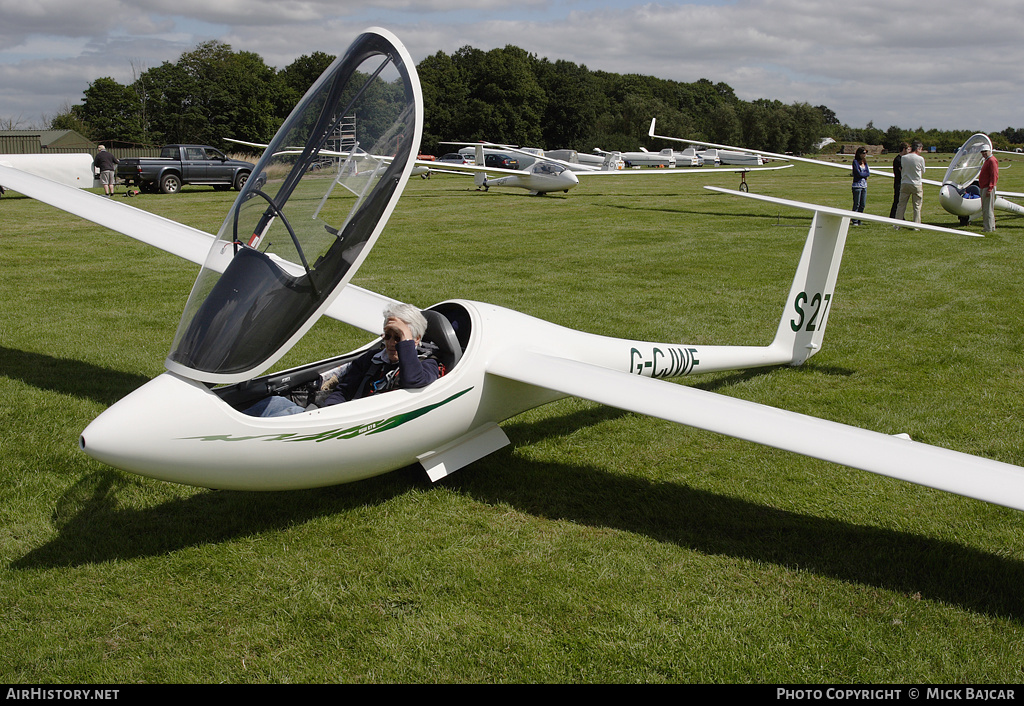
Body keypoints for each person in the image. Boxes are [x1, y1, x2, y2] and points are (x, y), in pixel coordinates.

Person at [244, 303, 441, 417]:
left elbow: (414, 381)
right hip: (341, 420)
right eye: (387, 335)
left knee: (281, 415)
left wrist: (405, 345)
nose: (390, 343)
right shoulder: (372, 359)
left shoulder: (428, 364)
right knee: (274, 402)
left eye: (398, 337)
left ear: (415, 340)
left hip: (370, 426)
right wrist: (326, 414)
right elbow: (344, 390)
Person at [895, 140, 926, 225]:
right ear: (918, 149)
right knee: (917, 206)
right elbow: (923, 170)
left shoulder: (904, 158)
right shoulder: (920, 159)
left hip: (905, 183)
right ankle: (916, 225)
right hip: (916, 183)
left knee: (901, 205)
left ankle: (897, 224)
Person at [978, 145, 999, 232]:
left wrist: (990, 188)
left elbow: (994, 175)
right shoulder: (987, 160)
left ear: (989, 151)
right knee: (987, 208)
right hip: (985, 187)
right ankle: (991, 227)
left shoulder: (991, 161)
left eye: (985, 152)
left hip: (988, 187)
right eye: (982, 152)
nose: (984, 154)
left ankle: (988, 228)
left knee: (987, 209)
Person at [889, 142, 909, 218]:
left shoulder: (903, 159)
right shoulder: (898, 160)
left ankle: (899, 216)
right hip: (898, 183)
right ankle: (893, 216)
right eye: (908, 149)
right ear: (904, 149)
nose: (909, 151)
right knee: (897, 200)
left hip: (901, 182)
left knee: (901, 201)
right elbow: (903, 171)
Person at [851, 147, 869, 225]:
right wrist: (863, 175)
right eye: (863, 153)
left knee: (862, 204)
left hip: (864, 186)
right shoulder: (855, 162)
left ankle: (859, 219)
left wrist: (863, 174)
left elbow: (868, 173)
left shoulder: (865, 162)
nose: (865, 155)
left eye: (865, 153)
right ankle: (854, 220)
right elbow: (857, 173)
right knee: (857, 204)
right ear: (859, 154)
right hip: (857, 186)